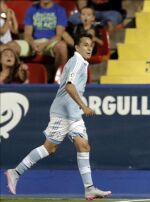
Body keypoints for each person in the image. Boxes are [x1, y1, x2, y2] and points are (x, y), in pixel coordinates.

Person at [4, 33, 111, 200]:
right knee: (49, 148)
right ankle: (15, 172)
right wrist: (84, 106)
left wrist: (79, 108)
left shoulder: (83, 63)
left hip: (73, 114)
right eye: (85, 44)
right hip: (62, 113)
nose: (89, 48)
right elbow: (69, 86)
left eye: (91, 45)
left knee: (83, 146)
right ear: (77, 48)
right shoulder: (76, 62)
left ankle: (89, 188)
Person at [5, 0, 68, 83]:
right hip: (33, 41)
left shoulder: (59, 10)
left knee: (62, 47)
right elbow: (27, 34)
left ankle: (58, 81)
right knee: (9, 46)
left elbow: (58, 36)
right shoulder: (32, 9)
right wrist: (33, 44)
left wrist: (44, 45)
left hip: (50, 42)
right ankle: (11, 78)